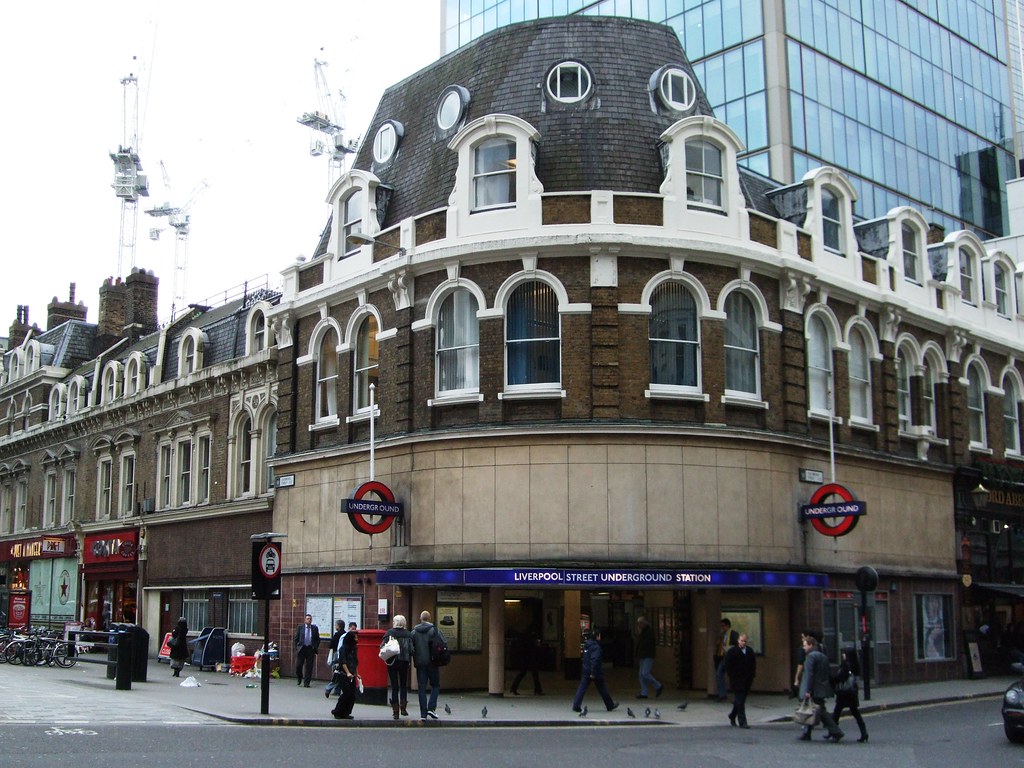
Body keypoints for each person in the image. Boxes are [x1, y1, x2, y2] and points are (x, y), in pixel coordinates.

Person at [798, 634, 843, 742]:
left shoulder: (810, 657)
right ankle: (806, 733)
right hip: (822, 687)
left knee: (821, 712)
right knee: (811, 710)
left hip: (814, 689)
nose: (803, 648)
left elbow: (809, 675)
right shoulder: (823, 656)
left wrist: (808, 691)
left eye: (805, 645)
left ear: (811, 645)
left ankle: (836, 732)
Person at [572, 628, 619, 713]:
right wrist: (593, 672)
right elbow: (595, 660)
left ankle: (576, 705)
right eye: (599, 635)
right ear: (597, 636)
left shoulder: (587, 645)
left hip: (586, 670)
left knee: (582, 688)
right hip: (595, 671)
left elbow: (585, 658)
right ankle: (609, 705)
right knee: (602, 688)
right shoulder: (596, 647)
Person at [411, 610, 444, 720]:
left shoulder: (414, 632)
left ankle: (423, 714)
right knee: (435, 685)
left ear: (420, 619)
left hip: (420, 663)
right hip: (432, 662)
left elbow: (411, 647)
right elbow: (443, 643)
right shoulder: (434, 630)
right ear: (429, 618)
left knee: (421, 688)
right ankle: (431, 708)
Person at [831, 648, 868, 742]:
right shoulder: (856, 665)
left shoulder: (845, 665)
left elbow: (840, 678)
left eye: (844, 654)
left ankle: (834, 732)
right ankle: (864, 733)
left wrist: (832, 680)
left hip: (843, 693)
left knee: (836, 713)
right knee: (856, 713)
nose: (843, 655)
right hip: (852, 692)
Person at [381, 614, 414, 719]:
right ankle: (403, 708)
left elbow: (382, 647)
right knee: (403, 685)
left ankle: (395, 712)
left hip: (392, 662)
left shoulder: (389, 633)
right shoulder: (408, 635)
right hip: (404, 662)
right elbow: (412, 650)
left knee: (394, 686)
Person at [724, 633, 756, 728]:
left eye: (745, 641)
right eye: (742, 641)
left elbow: (753, 664)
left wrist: (752, 676)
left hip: (747, 680)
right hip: (737, 680)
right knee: (740, 700)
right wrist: (731, 675)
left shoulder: (750, 651)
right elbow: (727, 665)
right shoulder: (732, 651)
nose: (743, 643)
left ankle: (732, 715)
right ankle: (743, 722)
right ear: (738, 640)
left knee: (740, 700)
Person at [331, 626, 359, 719]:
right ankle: (338, 711)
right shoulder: (343, 648)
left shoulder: (354, 649)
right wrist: (347, 673)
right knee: (346, 694)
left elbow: (355, 662)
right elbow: (343, 661)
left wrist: (356, 673)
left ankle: (346, 712)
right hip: (344, 674)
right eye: (355, 637)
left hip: (352, 674)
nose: (356, 639)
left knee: (352, 695)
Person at [510, 625, 544, 696]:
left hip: (525, 658)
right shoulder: (530, 638)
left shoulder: (524, 637)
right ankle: (537, 690)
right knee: (534, 674)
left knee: (523, 673)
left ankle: (513, 688)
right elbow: (532, 649)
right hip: (529, 658)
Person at [635, 616, 663, 699]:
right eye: (638, 623)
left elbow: (646, 644)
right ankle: (644, 692)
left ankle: (658, 686)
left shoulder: (649, 632)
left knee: (645, 673)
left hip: (648, 655)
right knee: (641, 675)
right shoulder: (643, 632)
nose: (639, 625)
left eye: (640, 623)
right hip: (642, 655)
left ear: (644, 623)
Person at [715, 618, 739, 701]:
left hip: (731, 657)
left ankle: (737, 696)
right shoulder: (722, 634)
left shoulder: (733, 634)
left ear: (728, 625)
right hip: (723, 657)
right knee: (719, 674)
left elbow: (737, 645)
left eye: (723, 626)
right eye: (721, 626)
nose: (722, 628)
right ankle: (722, 694)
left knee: (733, 677)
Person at [293, 614, 321, 687]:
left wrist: (315, 646)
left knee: (309, 666)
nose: (309, 620)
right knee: (298, 665)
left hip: (310, 649)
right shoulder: (300, 627)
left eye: (310, 619)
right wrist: (297, 647)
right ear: (305, 620)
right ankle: (299, 677)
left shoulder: (314, 628)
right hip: (302, 648)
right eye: (308, 619)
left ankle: (306, 683)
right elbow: (296, 638)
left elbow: (318, 639)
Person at [325, 620, 346, 698]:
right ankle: (337, 690)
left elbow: (331, 645)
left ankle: (328, 688)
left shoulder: (337, 635)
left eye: (336, 625)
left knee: (336, 673)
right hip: (344, 656)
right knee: (340, 673)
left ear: (339, 626)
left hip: (336, 655)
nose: (335, 626)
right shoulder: (345, 634)